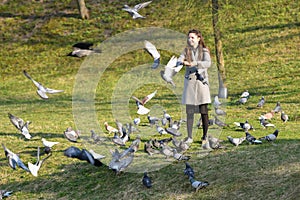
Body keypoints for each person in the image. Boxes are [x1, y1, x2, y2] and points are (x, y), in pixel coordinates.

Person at [177, 29, 211, 144]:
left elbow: (208, 63)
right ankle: (190, 137)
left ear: (198, 38)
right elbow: (179, 59)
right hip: (190, 83)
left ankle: (205, 136)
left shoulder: (204, 50)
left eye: (192, 37)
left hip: (201, 83)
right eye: (189, 37)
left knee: (203, 111)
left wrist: (195, 63)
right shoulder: (186, 50)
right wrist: (182, 62)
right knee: (189, 111)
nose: (190, 39)